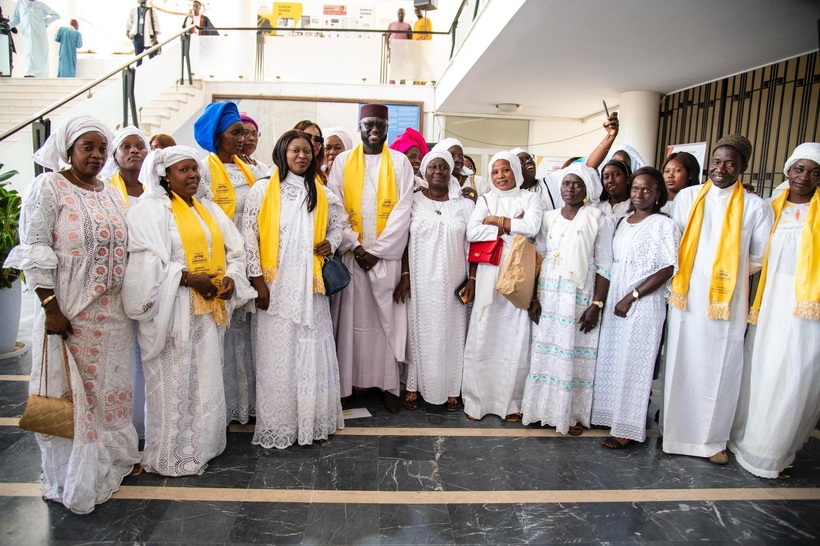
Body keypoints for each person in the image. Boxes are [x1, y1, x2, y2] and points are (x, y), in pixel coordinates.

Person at [4, 115, 140, 514]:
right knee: (70, 397)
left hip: (113, 316)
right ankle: (73, 473)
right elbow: (35, 248)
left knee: (108, 393)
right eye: (88, 147)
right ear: (68, 149)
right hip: (69, 311)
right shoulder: (49, 187)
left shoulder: (112, 192)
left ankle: (108, 462)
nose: (97, 155)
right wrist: (50, 306)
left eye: (101, 148)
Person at [124, 145, 253, 476]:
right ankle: (170, 454)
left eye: (195, 169)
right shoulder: (149, 211)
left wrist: (230, 278)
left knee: (206, 376)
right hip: (173, 310)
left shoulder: (207, 208)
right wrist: (184, 277)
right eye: (184, 170)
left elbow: (236, 250)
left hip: (208, 310)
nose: (193, 175)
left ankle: (202, 445)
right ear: (165, 175)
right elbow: (142, 262)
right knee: (174, 380)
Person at [662, 134, 774, 465]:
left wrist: (729, 273)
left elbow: (759, 256)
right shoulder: (688, 197)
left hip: (726, 301)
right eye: (716, 161)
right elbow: (675, 240)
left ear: (743, 167)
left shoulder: (756, 206)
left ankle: (711, 442)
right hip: (687, 297)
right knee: (682, 361)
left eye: (729, 163)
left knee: (720, 367)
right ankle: (675, 435)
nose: (720, 168)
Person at [242, 130, 345, 449]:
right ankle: (280, 422)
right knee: (277, 352)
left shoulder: (321, 192)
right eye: (294, 151)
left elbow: (338, 225)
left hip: (310, 287)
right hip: (275, 285)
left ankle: (311, 420)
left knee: (309, 348)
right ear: (282, 153)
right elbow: (249, 236)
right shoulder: (261, 190)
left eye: (306, 151)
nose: (301, 156)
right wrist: (257, 280)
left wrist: (333, 242)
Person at [728, 143, 820, 479]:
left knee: (795, 378)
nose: (804, 177)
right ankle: (748, 442)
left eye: (813, 172)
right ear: (788, 171)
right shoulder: (770, 208)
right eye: (799, 169)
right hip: (770, 306)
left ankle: (774, 452)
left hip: (808, 311)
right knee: (763, 371)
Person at [327, 103, 415, 413]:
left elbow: (404, 211)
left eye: (380, 124)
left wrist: (377, 251)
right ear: (360, 128)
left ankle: (388, 384)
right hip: (353, 257)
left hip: (384, 259)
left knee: (386, 321)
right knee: (350, 324)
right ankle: (347, 385)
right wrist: (355, 245)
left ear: (387, 128)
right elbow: (334, 207)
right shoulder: (341, 162)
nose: (374, 130)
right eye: (368, 125)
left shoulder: (401, 163)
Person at [591, 167, 681, 448]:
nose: (640, 194)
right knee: (614, 358)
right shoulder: (623, 222)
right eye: (636, 188)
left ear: (657, 195)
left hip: (643, 303)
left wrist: (633, 295)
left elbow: (667, 268)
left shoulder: (664, 225)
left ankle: (627, 429)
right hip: (617, 298)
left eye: (647, 190)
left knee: (635, 365)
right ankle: (610, 415)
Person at [522, 164, 612, 435]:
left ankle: (569, 414)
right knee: (544, 352)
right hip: (549, 294)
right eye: (566, 184)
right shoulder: (549, 218)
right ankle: (540, 410)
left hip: (579, 295)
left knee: (573, 354)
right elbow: (539, 257)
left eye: (577, 184)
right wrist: (534, 298)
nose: (570, 189)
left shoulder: (598, 218)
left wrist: (596, 305)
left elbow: (605, 266)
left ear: (586, 189)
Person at [462, 151, 542, 421]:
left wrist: (494, 220)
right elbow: (472, 232)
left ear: (516, 171)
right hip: (489, 272)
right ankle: (477, 401)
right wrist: (509, 226)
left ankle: (511, 402)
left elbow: (531, 227)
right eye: (495, 172)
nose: (500, 176)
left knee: (514, 337)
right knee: (485, 333)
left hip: (518, 273)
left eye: (505, 170)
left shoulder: (531, 198)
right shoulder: (486, 199)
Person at [393, 150, 476, 411]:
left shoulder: (464, 204)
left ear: (451, 172)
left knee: (452, 332)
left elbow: (474, 243)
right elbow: (402, 242)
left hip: (454, 280)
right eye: (432, 167)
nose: (437, 171)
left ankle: (451, 387)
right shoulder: (412, 201)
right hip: (419, 280)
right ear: (424, 172)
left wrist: (472, 278)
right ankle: (414, 385)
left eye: (443, 167)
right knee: (419, 331)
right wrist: (405, 275)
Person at [194, 102, 257, 425]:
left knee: (245, 338)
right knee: (222, 336)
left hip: (249, 262)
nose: (243, 138)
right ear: (218, 136)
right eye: (236, 133)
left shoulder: (250, 169)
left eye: (245, 133)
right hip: (221, 264)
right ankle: (222, 407)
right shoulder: (202, 171)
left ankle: (245, 403)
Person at [513, 113, 620, 212]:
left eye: (529, 158)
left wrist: (610, 136)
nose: (528, 162)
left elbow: (586, 167)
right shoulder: (509, 196)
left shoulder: (551, 182)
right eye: (522, 161)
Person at [9, 0, 59, 77]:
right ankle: (30, 73)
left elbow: (56, 15)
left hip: (40, 34)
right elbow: (16, 19)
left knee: (41, 54)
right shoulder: (20, 3)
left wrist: (44, 23)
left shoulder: (41, 5)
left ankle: (42, 75)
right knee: (29, 52)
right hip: (27, 33)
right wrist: (8, 26)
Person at [102, 126, 150, 206]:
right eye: (126, 147)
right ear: (114, 156)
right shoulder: (105, 189)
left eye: (140, 147)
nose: (134, 150)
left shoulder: (156, 187)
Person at [126, 0, 160, 67]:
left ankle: (153, 72)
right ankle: (139, 75)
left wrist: (155, 35)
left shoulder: (151, 11)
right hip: (138, 37)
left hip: (149, 38)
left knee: (152, 58)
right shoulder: (134, 10)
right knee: (138, 59)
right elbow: (130, 21)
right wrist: (128, 31)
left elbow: (156, 23)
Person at [238, 113, 268, 179]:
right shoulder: (227, 167)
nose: (252, 138)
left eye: (255, 134)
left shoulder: (263, 168)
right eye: (245, 133)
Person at [386, 7, 411, 84]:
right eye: (399, 13)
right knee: (393, 68)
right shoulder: (391, 24)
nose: (401, 15)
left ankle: (402, 84)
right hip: (394, 49)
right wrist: (388, 48)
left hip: (403, 50)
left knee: (403, 68)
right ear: (397, 14)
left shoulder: (408, 26)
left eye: (402, 13)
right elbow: (387, 37)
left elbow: (410, 40)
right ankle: (392, 84)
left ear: (404, 14)